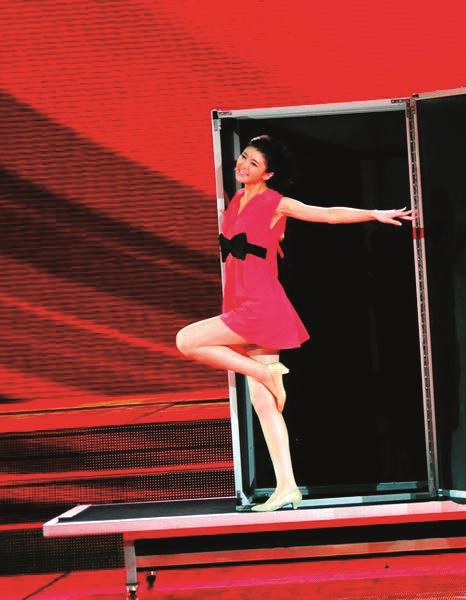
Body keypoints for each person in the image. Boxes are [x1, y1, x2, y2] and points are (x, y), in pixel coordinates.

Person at [176, 134, 414, 512]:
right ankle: (287, 485)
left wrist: (373, 214)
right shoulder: (236, 200)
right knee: (264, 404)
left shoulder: (276, 202)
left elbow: (328, 214)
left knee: (187, 340)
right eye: (243, 157)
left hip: (260, 305)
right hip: (241, 300)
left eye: (254, 163)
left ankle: (266, 372)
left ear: (268, 174)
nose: (243, 165)